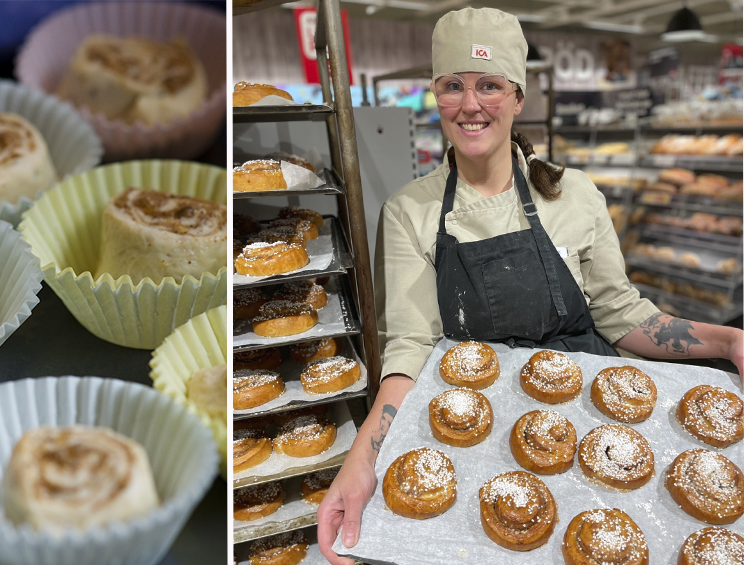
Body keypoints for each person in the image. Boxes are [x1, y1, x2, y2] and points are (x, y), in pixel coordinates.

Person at [317, 7, 744, 564]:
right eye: (453, 86)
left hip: (587, 424)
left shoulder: (575, 194)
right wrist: (363, 458)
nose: (471, 104)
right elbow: (410, 347)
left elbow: (621, 313)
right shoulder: (409, 211)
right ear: (436, 96)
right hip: (474, 433)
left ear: (518, 98)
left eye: (490, 85)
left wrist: (727, 341)